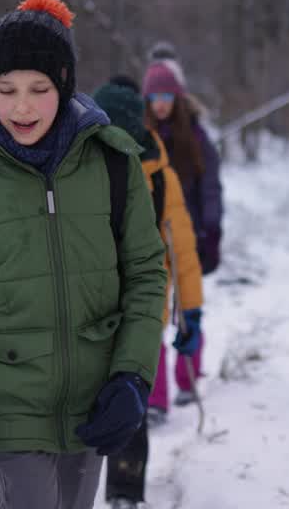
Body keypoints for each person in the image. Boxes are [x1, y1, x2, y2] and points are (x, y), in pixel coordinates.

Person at [0, 0, 167, 509]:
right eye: (6, 90)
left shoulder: (114, 165)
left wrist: (133, 376)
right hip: (8, 397)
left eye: (38, 89)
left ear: (65, 85)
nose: (21, 106)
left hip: (96, 396)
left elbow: (145, 275)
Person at [93, 81, 205, 509]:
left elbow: (183, 250)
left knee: (130, 400)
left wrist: (190, 311)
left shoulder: (161, 177)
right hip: (88, 309)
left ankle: (124, 489)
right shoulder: (76, 168)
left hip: (144, 307)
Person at [141, 57, 223, 409]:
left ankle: (188, 379)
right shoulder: (141, 136)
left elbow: (210, 187)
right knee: (152, 316)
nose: (160, 103)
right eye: (154, 96)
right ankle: (156, 398)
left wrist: (212, 230)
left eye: (166, 95)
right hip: (151, 238)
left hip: (190, 238)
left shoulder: (196, 136)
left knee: (189, 309)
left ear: (177, 98)